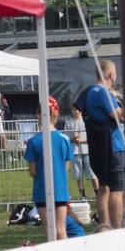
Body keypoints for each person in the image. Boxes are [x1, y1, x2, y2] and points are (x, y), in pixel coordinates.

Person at [83, 59, 125, 229]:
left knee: (104, 187)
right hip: (113, 146)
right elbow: (119, 116)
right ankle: (116, 227)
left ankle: (104, 224)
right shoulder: (103, 93)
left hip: (100, 146)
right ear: (111, 75)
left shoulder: (90, 91)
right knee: (116, 189)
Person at [25, 96, 74, 239]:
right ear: (56, 114)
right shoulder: (64, 139)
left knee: (50, 233)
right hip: (60, 191)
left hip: (41, 191)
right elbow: (66, 166)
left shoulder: (33, 142)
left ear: (38, 115)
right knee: (61, 231)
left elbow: (32, 171)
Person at [64, 103, 97, 199]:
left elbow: (92, 138)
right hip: (75, 151)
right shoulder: (68, 122)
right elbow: (66, 137)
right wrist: (72, 139)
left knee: (92, 173)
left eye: (77, 109)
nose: (76, 111)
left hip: (87, 151)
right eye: (73, 109)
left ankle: (97, 193)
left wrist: (81, 141)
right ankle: (83, 195)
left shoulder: (87, 121)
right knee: (78, 175)